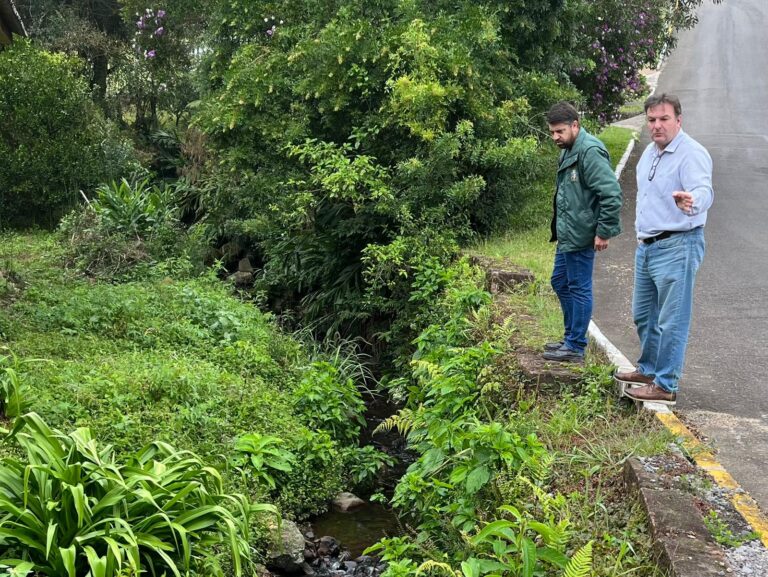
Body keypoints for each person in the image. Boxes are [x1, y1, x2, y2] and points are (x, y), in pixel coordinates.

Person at [617, 93, 713, 404]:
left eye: (664, 119)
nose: (657, 125)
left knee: (672, 319)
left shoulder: (691, 154)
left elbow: (703, 190)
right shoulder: (649, 152)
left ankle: (666, 384)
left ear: (678, 120)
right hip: (647, 247)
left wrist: (692, 200)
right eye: (652, 120)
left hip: (678, 245)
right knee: (643, 314)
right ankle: (649, 370)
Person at [542, 101, 622, 362]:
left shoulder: (589, 151)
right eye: (552, 132)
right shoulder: (569, 148)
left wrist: (604, 231)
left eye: (560, 131)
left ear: (575, 125)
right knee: (560, 281)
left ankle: (575, 346)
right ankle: (570, 338)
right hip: (568, 232)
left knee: (579, 286)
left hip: (582, 232)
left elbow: (611, 193)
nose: (555, 137)